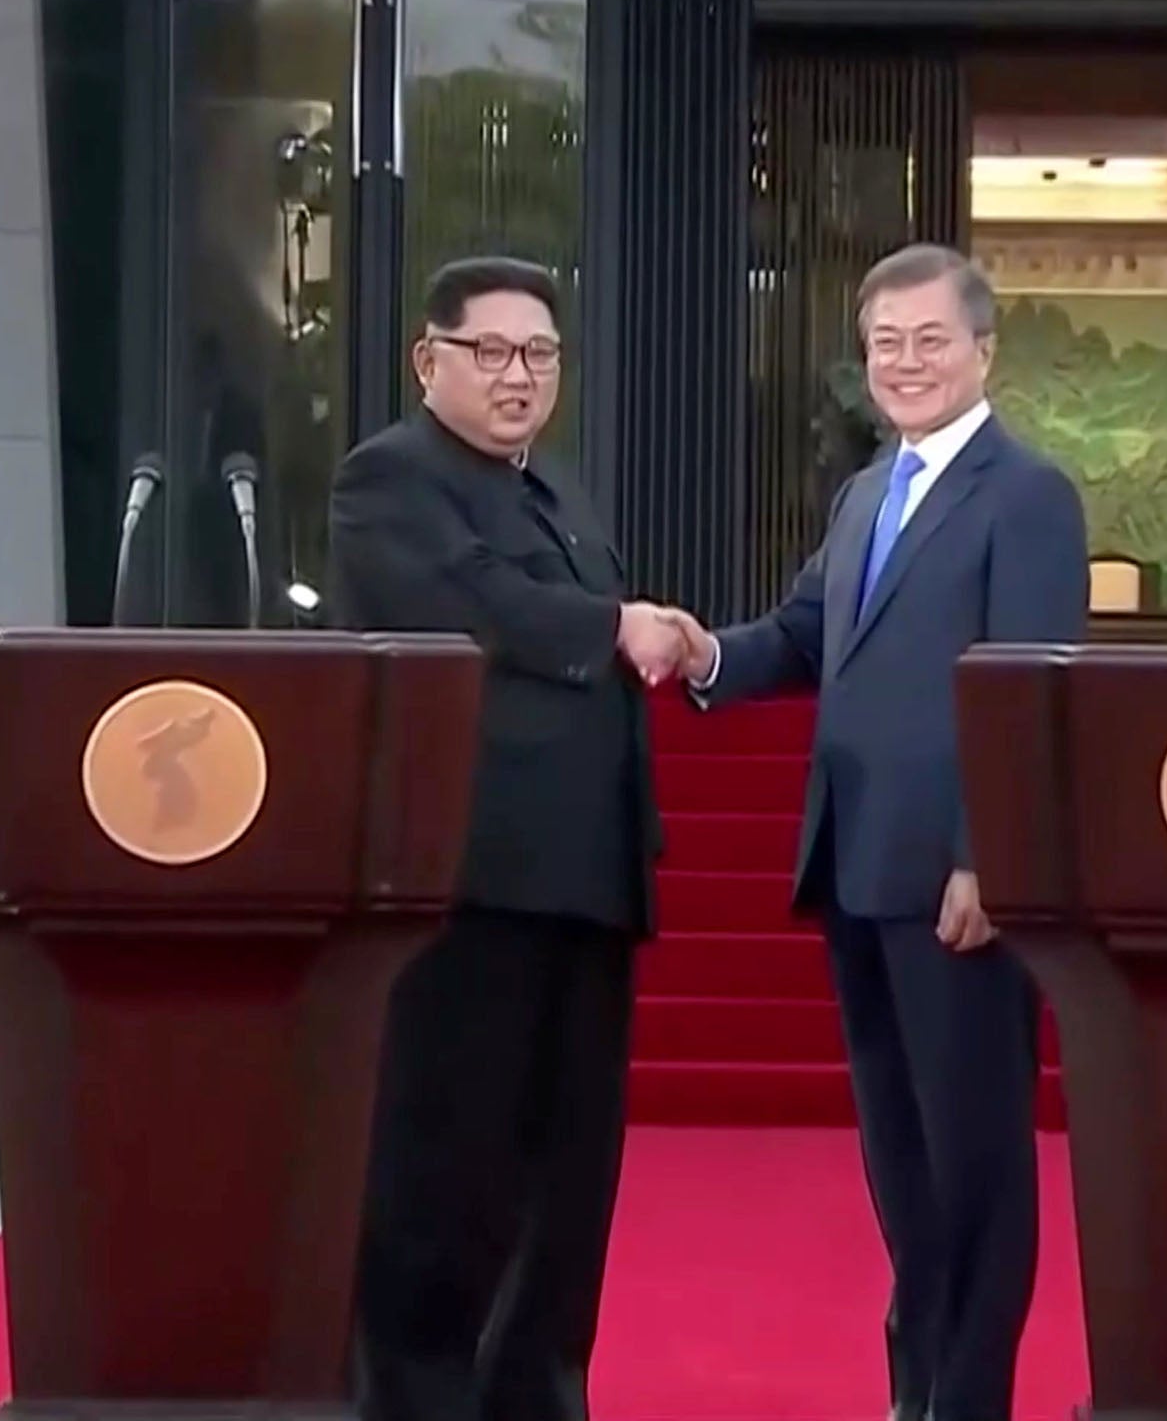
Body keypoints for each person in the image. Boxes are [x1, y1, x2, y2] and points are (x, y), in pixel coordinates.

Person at [655, 243, 1089, 1421]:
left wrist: (988, 850)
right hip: (853, 867)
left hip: (954, 882)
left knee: (975, 1165)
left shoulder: (1027, 496)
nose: (903, 363)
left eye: (928, 340)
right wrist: (703, 655)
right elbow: (799, 636)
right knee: (901, 1165)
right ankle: (918, 1388)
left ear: (982, 350)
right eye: (884, 343)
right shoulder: (865, 494)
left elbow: (1029, 686)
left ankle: (970, 1400)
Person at [326, 256, 686, 1421]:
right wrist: (614, 622)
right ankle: (416, 1400)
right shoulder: (390, 477)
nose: (518, 375)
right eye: (491, 352)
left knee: (567, 1178)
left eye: (539, 353)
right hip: (466, 882)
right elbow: (470, 604)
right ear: (429, 361)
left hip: (582, 884)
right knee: (448, 1171)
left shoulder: (555, 488)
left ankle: (534, 1397)